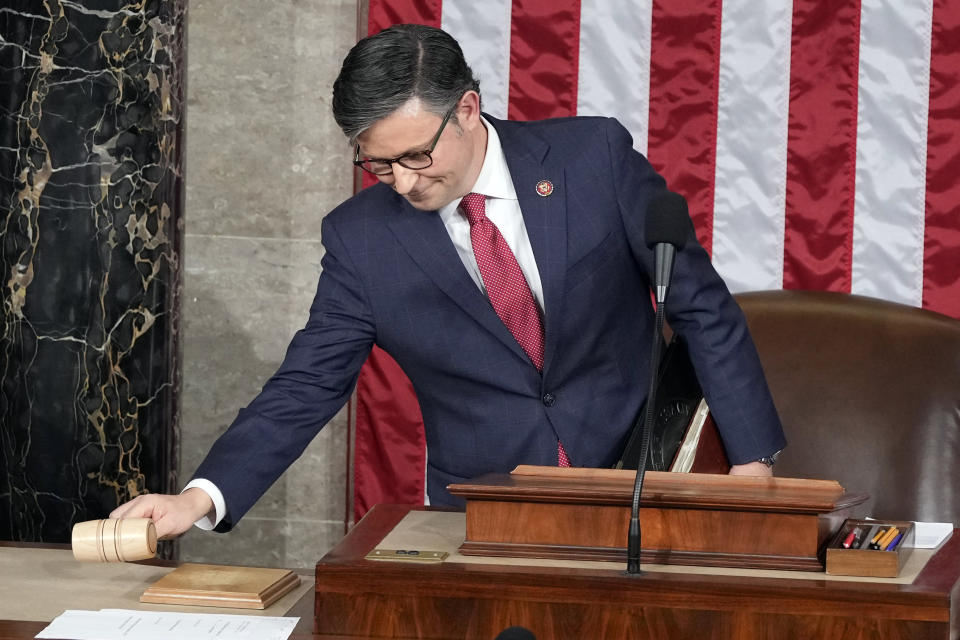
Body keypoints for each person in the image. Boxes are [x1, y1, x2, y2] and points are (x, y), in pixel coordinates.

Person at [112, 24, 786, 538]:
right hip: (484, 516)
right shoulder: (362, 241)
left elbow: (701, 307)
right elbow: (306, 383)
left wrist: (751, 462)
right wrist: (198, 498)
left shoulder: (592, 161)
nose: (403, 182)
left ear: (467, 108)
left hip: (643, 479)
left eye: (415, 155)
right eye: (378, 166)